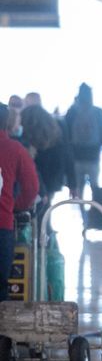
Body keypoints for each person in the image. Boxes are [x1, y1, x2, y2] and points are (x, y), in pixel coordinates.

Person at [0, 103, 40, 302]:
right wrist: (15, 206)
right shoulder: (15, 149)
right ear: (7, 123)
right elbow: (32, 187)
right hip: (3, 224)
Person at [19, 105, 73, 217]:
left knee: (36, 213)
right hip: (52, 178)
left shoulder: (26, 136)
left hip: (34, 179)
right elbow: (67, 154)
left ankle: (41, 231)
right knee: (46, 210)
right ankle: (46, 232)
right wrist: (72, 183)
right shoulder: (55, 131)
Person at [64, 83, 102, 199]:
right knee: (95, 187)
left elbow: (65, 135)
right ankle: (95, 212)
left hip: (76, 157)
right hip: (93, 156)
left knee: (78, 189)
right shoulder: (98, 112)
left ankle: (82, 214)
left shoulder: (72, 112)